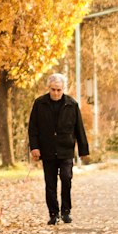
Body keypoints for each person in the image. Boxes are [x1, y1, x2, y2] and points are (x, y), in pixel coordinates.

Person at [28, 72, 90, 225]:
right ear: (48, 88)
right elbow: (33, 128)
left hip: (66, 149)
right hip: (47, 150)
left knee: (66, 178)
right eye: (53, 89)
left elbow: (79, 129)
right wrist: (34, 147)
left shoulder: (72, 104)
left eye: (59, 90)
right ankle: (53, 214)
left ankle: (66, 211)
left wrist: (83, 151)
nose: (56, 93)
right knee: (50, 183)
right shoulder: (39, 104)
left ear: (63, 89)